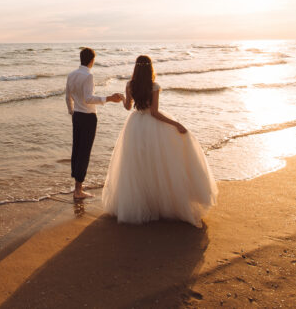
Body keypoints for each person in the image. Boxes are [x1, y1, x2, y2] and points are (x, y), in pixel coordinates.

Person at [101, 55, 217, 226]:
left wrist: (124, 99)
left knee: (138, 166)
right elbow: (154, 112)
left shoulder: (129, 85)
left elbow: (127, 107)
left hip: (134, 126)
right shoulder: (154, 86)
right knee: (157, 164)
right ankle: (157, 204)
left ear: (136, 68)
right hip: (152, 125)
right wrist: (175, 123)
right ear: (150, 68)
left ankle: (143, 205)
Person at [65, 47, 123, 200]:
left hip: (77, 116)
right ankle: (78, 190)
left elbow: (67, 96)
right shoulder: (88, 76)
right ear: (92, 60)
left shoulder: (71, 75)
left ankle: (77, 187)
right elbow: (89, 98)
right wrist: (109, 98)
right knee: (84, 152)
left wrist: (72, 111)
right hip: (88, 117)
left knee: (77, 149)